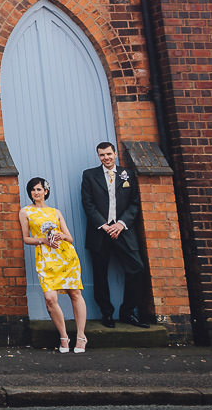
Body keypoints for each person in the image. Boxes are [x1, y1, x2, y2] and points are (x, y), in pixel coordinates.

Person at [80, 140, 149, 328]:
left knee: (137, 268)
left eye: (109, 154)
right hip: (100, 232)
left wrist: (121, 223)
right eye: (102, 155)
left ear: (115, 154)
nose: (106, 158)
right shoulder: (89, 175)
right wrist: (103, 225)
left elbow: (135, 202)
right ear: (98, 156)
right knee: (100, 274)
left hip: (123, 231)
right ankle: (107, 314)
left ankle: (127, 312)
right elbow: (88, 203)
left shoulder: (128, 175)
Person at [19, 177, 87, 353]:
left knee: (75, 293)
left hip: (65, 256)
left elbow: (70, 238)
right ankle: (64, 337)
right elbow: (26, 238)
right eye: (33, 190)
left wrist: (61, 236)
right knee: (50, 298)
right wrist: (43, 240)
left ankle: (81, 336)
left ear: (46, 191)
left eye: (39, 189)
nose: (36, 192)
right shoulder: (25, 212)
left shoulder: (56, 212)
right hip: (45, 257)